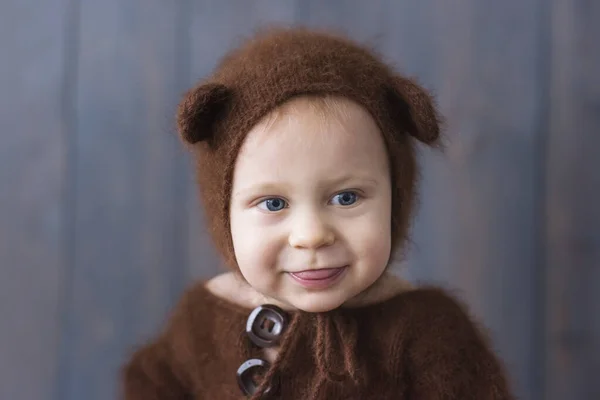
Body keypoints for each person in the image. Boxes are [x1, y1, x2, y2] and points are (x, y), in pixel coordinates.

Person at [121, 26, 514, 399]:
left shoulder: (429, 333)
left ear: (395, 200)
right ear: (224, 216)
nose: (311, 235)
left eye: (346, 198)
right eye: (274, 203)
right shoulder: (200, 325)